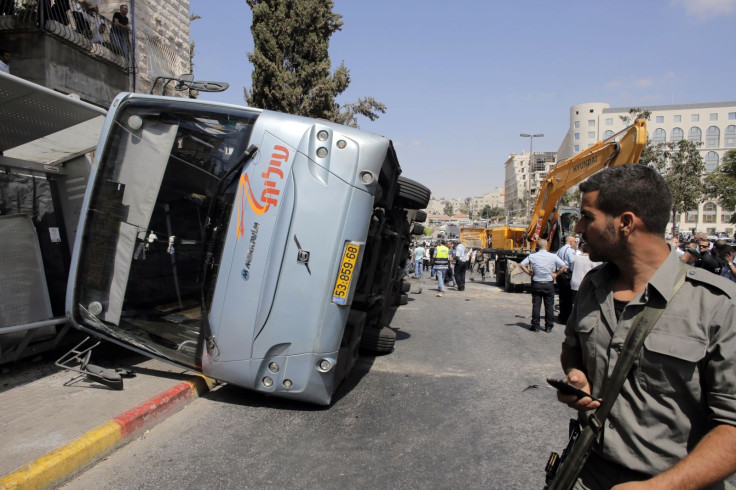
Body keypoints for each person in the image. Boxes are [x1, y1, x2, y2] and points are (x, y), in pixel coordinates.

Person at [557, 164, 736, 489]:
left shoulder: (719, 305)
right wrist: (576, 375)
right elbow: (571, 350)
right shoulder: (592, 286)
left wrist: (659, 487)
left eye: (587, 216)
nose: (580, 227)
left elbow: (732, 426)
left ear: (625, 223)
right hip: (585, 474)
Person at [519, 238, 566, 332]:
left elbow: (521, 264)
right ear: (546, 246)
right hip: (548, 283)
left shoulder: (532, 256)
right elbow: (564, 266)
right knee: (549, 306)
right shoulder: (553, 256)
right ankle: (549, 326)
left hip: (537, 283)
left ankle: (535, 326)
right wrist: (556, 274)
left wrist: (530, 273)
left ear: (537, 246)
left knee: (536, 305)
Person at [569, 242, 599, 307]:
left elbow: (571, 269)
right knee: (585, 303)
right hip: (586, 284)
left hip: (575, 283)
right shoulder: (591, 260)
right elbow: (595, 272)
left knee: (574, 302)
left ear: (582, 249)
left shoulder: (576, 257)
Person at [556, 235, 577, 323]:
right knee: (568, 297)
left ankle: (562, 315)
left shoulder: (560, 250)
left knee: (562, 296)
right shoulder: (570, 250)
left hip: (560, 274)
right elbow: (572, 261)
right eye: (575, 241)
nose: (575, 243)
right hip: (566, 275)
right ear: (571, 241)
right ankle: (566, 318)